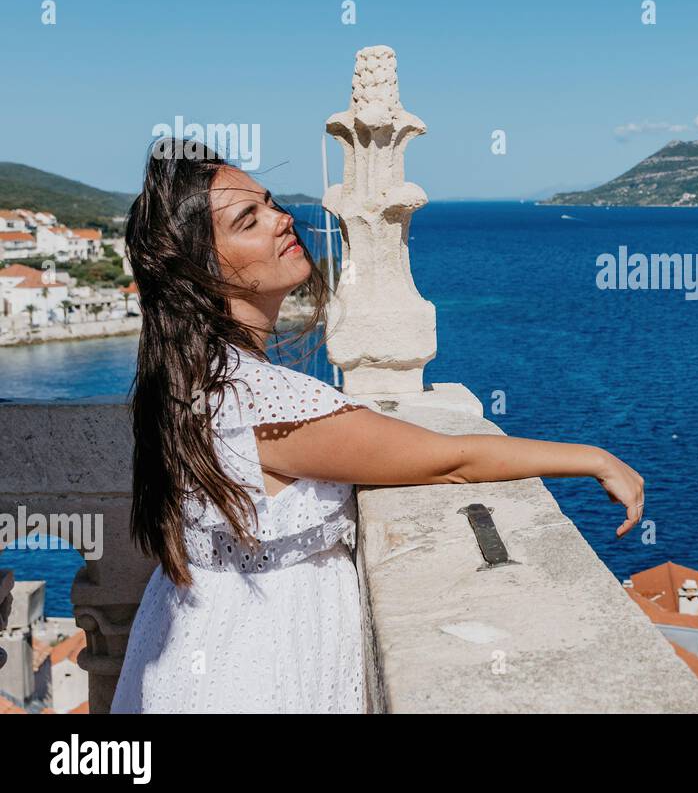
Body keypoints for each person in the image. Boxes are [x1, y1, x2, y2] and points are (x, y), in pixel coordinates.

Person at [109, 137, 644, 713]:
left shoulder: (192, 376)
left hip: (211, 639)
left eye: (269, 202)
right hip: (261, 661)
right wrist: (591, 456)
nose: (283, 219)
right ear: (202, 270)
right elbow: (452, 461)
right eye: (250, 219)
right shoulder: (256, 396)